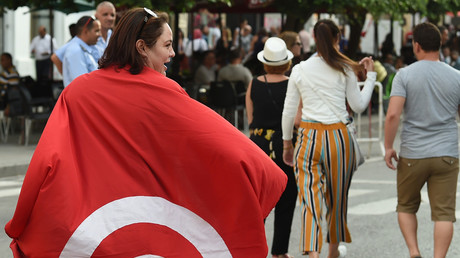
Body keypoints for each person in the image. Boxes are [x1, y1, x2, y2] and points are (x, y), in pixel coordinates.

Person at [5, 8, 287, 257]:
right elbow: (218, 144)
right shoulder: (166, 94)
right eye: (167, 45)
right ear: (142, 47)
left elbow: (46, 158)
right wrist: (263, 175)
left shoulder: (78, 92)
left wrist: (21, 222)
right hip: (155, 230)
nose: (173, 54)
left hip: (95, 230)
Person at [281, 19, 376, 258]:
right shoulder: (344, 67)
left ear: (313, 37)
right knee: (337, 199)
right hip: (339, 137)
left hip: (309, 135)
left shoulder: (300, 69)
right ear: (337, 39)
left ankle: (313, 254)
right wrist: (371, 77)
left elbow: (288, 111)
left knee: (309, 200)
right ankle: (333, 252)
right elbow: (359, 105)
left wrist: (287, 144)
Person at [384, 22, 460, 258]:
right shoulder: (457, 76)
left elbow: (393, 114)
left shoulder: (404, 75)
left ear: (416, 45)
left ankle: (415, 252)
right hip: (446, 153)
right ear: (440, 44)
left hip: (413, 153)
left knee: (406, 205)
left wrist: (388, 147)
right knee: (444, 214)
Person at [246, 37, 297, 258]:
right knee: (287, 195)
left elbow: (250, 118)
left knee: (259, 199)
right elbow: (295, 118)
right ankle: (279, 251)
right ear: (286, 62)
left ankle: (253, 248)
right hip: (284, 143)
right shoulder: (292, 84)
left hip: (258, 144)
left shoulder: (254, 83)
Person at [62, 16, 101, 87]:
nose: (99, 35)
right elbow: (82, 85)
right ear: (86, 31)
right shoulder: (75, 50)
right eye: (97, 31)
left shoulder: (82, 48)